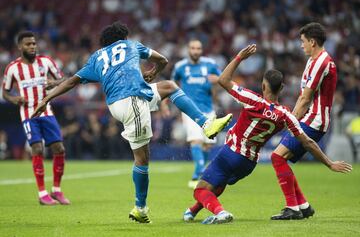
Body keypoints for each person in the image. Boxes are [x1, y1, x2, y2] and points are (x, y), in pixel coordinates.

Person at [31, 22, 232, 223]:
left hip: (126, 100)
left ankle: (206, 124)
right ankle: (140, 208)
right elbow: (163, 60)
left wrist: (46, 98)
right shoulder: (131, 45)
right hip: (132, 100)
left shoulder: (96, 58)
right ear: (123, 37)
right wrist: (154, 71)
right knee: (142, 158)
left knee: (169, 87)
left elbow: (71, 81)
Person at [183, 44, 352, 224]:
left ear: (264, 85)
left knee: (200, 190)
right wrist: (329, 163)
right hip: (248, 163)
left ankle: (220, 212)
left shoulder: (253, 100)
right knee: (218, 184)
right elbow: (308, 142)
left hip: (231, 153)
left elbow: (223, 80)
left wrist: (239, 57)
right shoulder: (286, 115)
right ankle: (192, 212)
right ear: (281, 88)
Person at [270, 22, 341, 220]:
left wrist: (289, 119)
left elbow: (305, 98)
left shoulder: (322, 62)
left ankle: (293, 207)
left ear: (313, 41)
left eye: (303, 42)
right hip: (310, 117)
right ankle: (302, 206)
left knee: (277, 157)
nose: (301, 46)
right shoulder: (314, 59)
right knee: (279, 157)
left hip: (315, 120)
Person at [2, 31, 70, 206]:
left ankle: (57, 190)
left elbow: (63, 79)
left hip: (46, 111)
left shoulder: (46, 62)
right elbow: (6, 92)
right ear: (20, 47)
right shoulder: (12, 68)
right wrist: (14, 99)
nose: (32, 46)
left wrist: (54, 83)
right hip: (28, 115)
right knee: (37, 149)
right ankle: (42, 193)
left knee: (59, 148)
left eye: (33, 43)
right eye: (28, 44)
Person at [172, 39, 221, 188]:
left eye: (198, 48)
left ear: (202, 50)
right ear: (188, 49)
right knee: (196, 140)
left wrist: (217, 79)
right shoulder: (180, 66)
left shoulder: (210, 64)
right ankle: (199, 175)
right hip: (190, 110)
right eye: (193, 48)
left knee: (207, 145)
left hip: (208, 109)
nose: (195, 51)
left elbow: (223, 79)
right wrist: (167, 103)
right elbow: (172, 84)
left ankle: (199, 174)